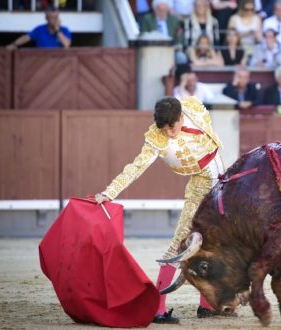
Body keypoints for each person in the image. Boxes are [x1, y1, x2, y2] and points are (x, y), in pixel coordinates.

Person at [94, 96, 226, 323]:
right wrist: (109, 193)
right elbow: (135, 168)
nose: (168, 133)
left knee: (216, 245)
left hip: (222, 182)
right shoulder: (156, 139)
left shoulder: (192, 107)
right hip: (201, 189)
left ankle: (208, 305)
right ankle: (157, 308)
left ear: (181, 117)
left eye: (171, 127)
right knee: (179, 246)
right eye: (163, 128)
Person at [7, 6, 71, 49]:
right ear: (46, 18)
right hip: (41, 62)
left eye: (56, 17)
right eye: (52, 17)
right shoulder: (39, 29)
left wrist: (57, 30)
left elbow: (66, 45)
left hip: (58, 63)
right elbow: (26, 38)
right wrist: (14, 44)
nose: (55, 20)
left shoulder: (64, 30)